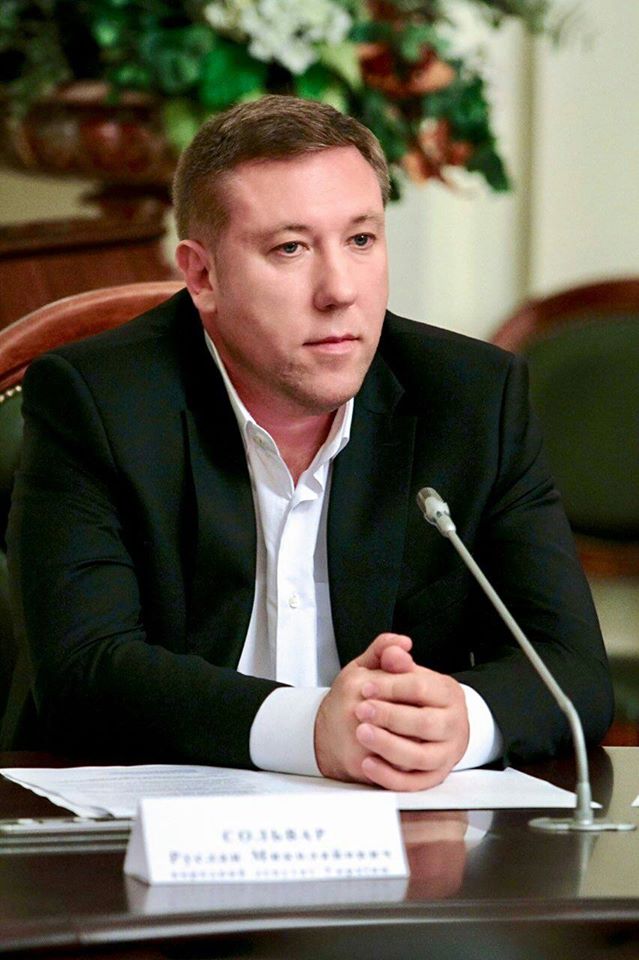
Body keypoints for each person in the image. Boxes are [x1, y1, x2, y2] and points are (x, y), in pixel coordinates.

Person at [6, 96, 612, 790]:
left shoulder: (471, 398)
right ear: (202, 275)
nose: (339, 291)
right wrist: (311, 728)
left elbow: (570, 667)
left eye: (361, 240)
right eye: (289, 248)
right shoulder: (98, 400)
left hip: (398, 832)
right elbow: (83, 671)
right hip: (150, 821)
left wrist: (461, 721)